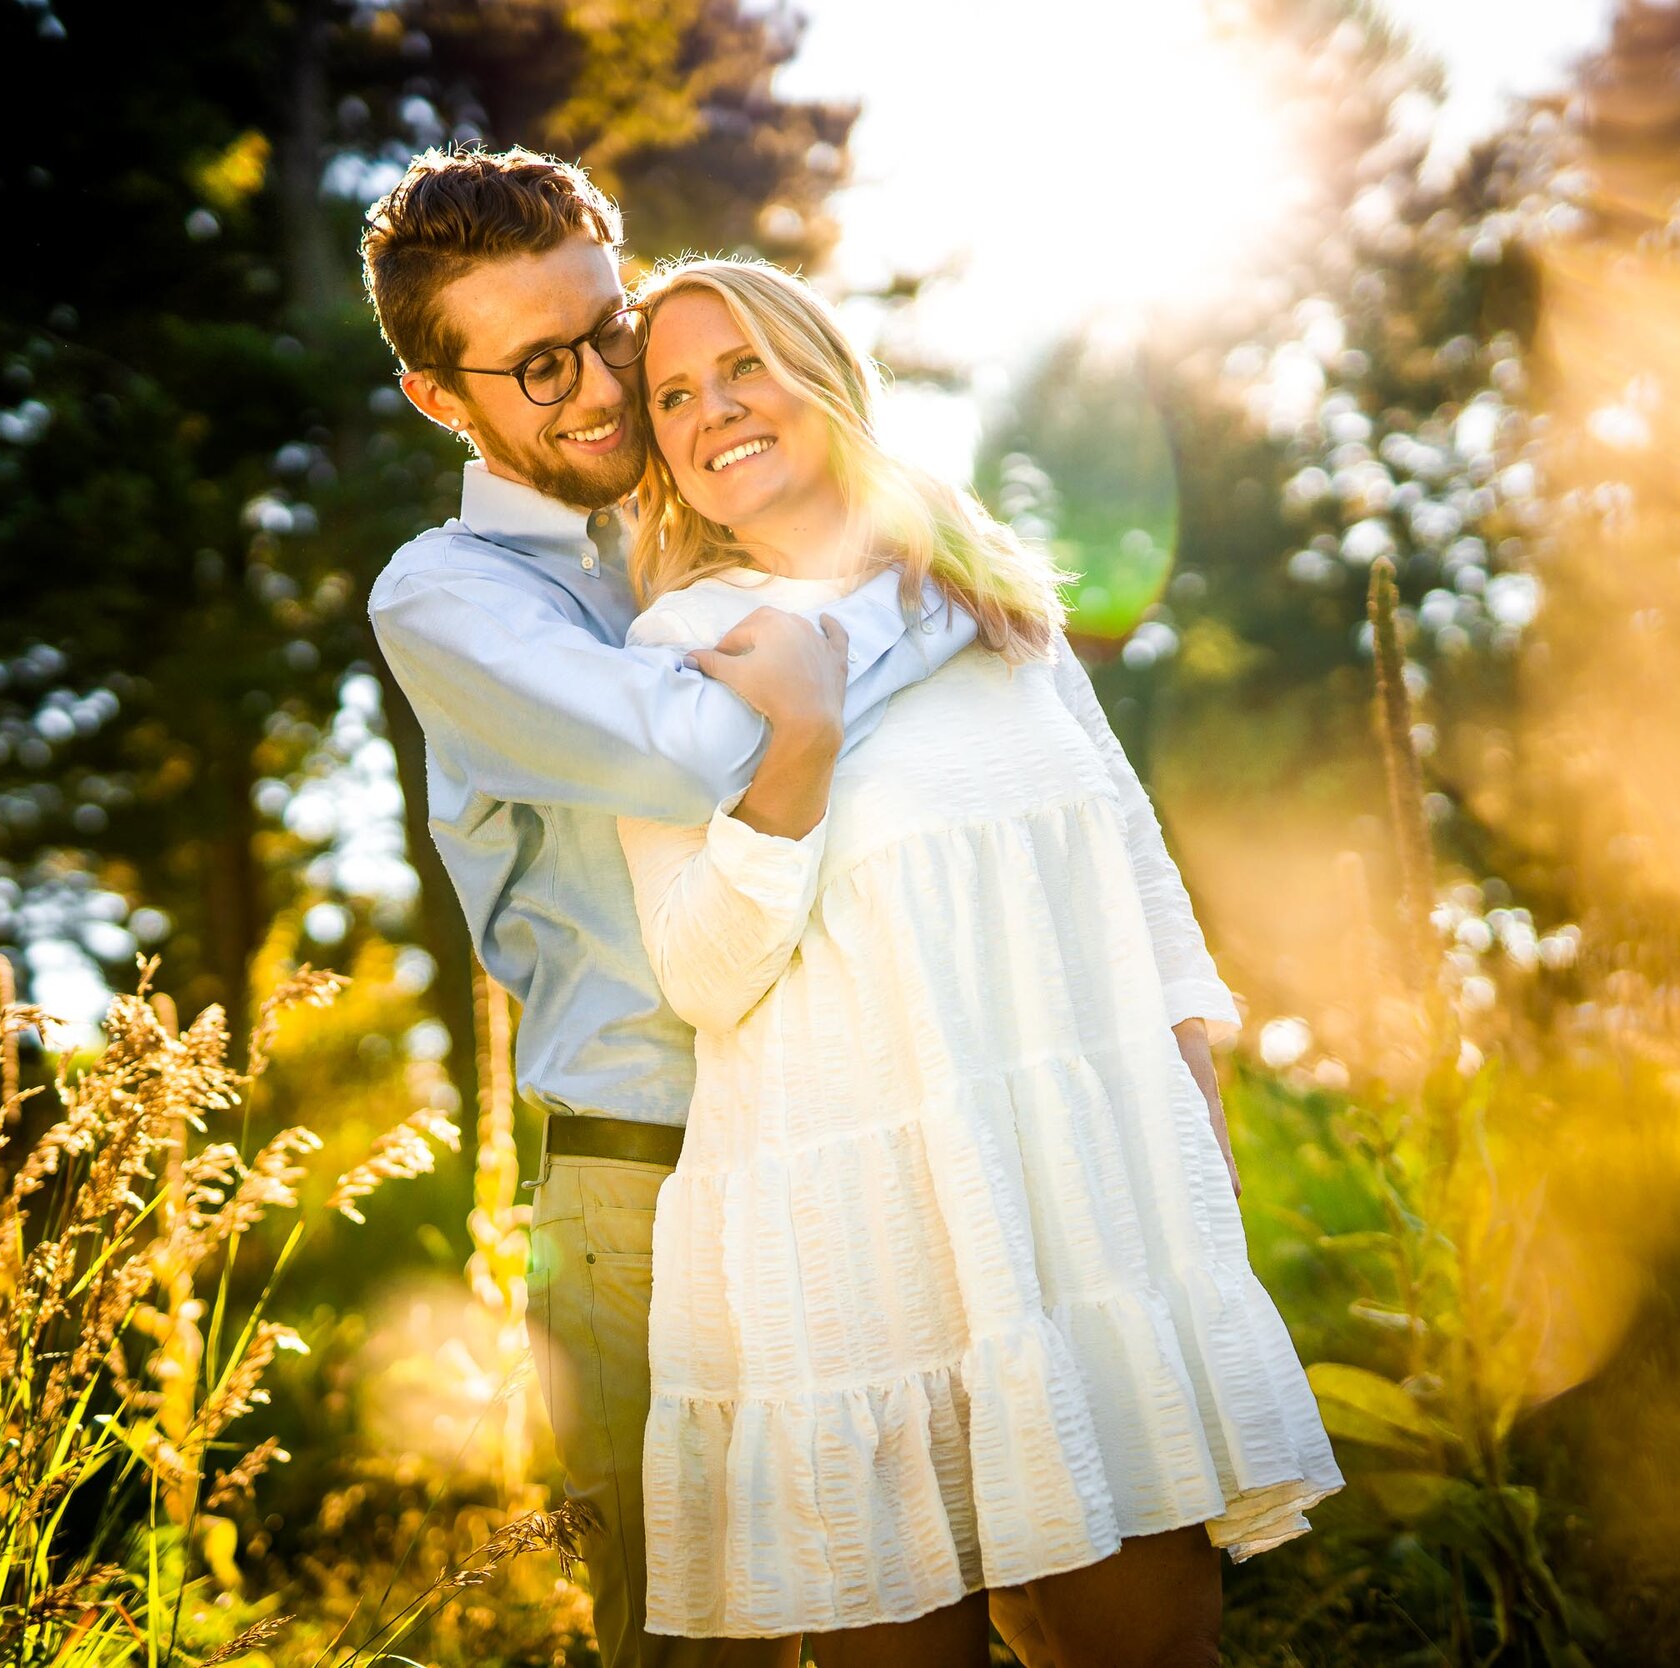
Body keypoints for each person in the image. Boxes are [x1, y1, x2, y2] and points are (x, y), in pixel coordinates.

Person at [614, 259, 1344, 1668]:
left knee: (1149, 1647)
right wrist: (802, 748)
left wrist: (1193, 1092)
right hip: (852, 1240)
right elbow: (702, 974)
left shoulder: (986, 590)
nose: (714, 412)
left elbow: (1128, 858)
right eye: (674, 397)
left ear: (823, 375)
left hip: (1077, 1199)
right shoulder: (680, 652)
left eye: (744, 366)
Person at [359, 147, 982, 1668]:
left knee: (925, 1592)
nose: (599, 387)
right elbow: (708, 741)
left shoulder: (712, 514)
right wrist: (940, 593)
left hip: (849, 1138)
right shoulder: (446, 598)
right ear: (443, 400)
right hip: (641, 1185)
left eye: (610, 328)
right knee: (698, 1643)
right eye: (536, 366)